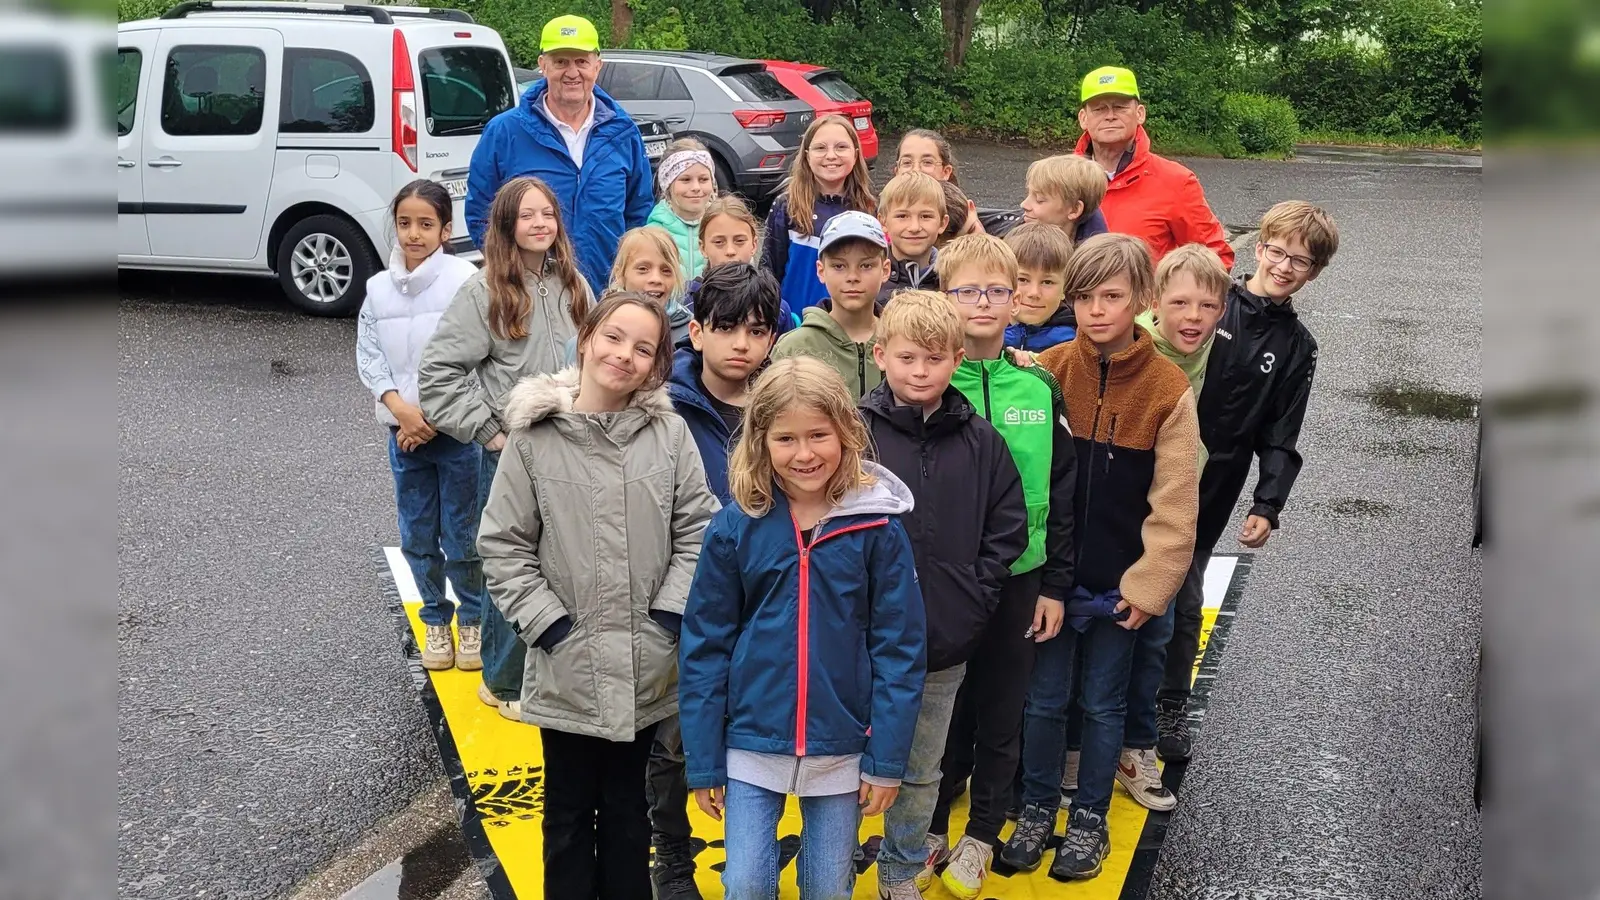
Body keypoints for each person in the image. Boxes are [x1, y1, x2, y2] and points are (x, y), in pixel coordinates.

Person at [477, 292, 718, 900]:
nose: (624, 355)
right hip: (566, 666)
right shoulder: (534, 439)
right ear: (586, 339)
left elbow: (698, 528)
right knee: (565, 815)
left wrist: (667, 616)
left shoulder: (668, 435)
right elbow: (503, 544)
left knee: (626, 812)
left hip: (645, 662)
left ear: (658, 364)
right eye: (614, 337)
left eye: (644, 348)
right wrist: (551, 627)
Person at [679, 357, 927, 900]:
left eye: (819, 434)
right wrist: (703, 759)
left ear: (846, 431)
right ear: (761, 442)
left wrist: (885, 761)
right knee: (743, 884)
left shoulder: (877, 529)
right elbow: (705, 646)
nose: (805, 453)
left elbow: (899, 650)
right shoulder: (736, 525)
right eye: (786, 438)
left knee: (826, 885)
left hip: (843, 742)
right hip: (749, 739)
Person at [1003, 234, 1199, 880]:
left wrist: (1149, 588)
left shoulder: (1168, 389)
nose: (1095, 310)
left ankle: (1089, 818)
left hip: (1119, 588)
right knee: (1044, 700)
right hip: (1052, 584)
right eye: (1082, 297)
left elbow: (1175, 503)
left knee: (1103, 705)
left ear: (1142, 301)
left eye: (1111, 297)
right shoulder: (1049, 369)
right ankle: (1035, 807)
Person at [860, 290, 1030, 900]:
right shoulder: (857, 434)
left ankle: (902, 868)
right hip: (862, 638)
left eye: (934, 358)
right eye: (907, 357)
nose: (920, 371)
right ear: (881, 356)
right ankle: (836, 848)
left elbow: (1007, 525)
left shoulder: (981, 441)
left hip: (945, 635)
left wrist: (974, 595)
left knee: (922, 766)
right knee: (846, 756)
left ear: (957, 359)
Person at [1156, 202, 1339, 760]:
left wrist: (1269, 501)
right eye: (1277, 251)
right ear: (1259, 246)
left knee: (1184, 595)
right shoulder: (1212, 305)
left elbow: (1282, 432)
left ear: (1314, 272)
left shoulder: (1298, 347)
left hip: (1215, 481)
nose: (1284, 266)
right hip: (1152, 461)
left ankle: (1169, 704)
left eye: (1300, 261)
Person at [929, 234, 1076, 900]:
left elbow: (1064, 490)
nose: (983, 302)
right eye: (967, 290)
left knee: (1001, 710)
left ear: (1016, 296)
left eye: (996, 290)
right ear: (944, 297)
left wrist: (1054, 583)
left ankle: (982, 833)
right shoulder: (928, 382)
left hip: (1022, 577)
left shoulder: (1038, 384)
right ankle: (931, 823)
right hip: (946, 580)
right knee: (942, 710)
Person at [418, 176, 591, 718]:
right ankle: (504, 680)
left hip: (573, 448)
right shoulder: (485, 289)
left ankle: (550, 673)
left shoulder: (572, 283)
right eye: (527, 216)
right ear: (506, 225)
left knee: (563, 566)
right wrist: (490, 431)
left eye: (548, 214)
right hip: (514, 454)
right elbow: (439, 373)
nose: (540, 224)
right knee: (514, 566)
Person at [1109, 243, 1228, 805]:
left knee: (1155, 630)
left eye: (1207, 306)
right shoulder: (1129, 343)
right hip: (1118, 505)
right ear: (1154, 303)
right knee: (1104, 630)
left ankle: (1136, 747)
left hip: (1170, 505)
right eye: (1179, 303)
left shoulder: (1209, 353)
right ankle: (1088, 745)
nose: (1193, 317)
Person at [356, 179, 485, 672]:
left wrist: (431, 416)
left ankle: (472, 621)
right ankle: (436, 618)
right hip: (403, 434)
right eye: (405, 223)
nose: (414, 234)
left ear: (445, 230)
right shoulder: (377, 288)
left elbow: (477, 356)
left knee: (464, 533)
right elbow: (370, 355)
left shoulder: (464, 281)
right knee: (417, 533)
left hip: (456, 435)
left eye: (426, 224)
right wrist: (400, 410)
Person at [464, 15, 653, 294]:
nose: (572, 72)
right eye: (561, 61)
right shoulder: (504, 132)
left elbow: (639, 212)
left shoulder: (623, 133)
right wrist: (513, 272)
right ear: (543, 65)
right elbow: (481, 213)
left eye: (581, 62)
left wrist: (626, 274)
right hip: (531, 295)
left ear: (597, 66)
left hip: (608, 294)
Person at [1073, 66, 1234, 269]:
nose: (1110, 116)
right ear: (1083, 118)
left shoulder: (1176, 181)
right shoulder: (1060, 181)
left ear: (1140, 113)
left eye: (1120, 107)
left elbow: (1215, 259)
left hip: (1148, 301)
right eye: (1099, 109)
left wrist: (1173, 298)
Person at [668, 262, 783, 505]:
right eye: (726, 327)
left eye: (756, 332)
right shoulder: (666, 408)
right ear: (697, 334)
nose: (741, 344)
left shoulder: (785, 407)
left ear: (771, 341)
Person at [770, 211, 890, 400]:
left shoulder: (900, 341)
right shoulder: (794, 348)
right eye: (839, 266)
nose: (853, 277)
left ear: (885, 270)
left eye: (866, 266)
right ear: (821, 270)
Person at [762, 114, 877, 311]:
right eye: (820, 148)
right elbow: (769, 272)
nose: (831, 155)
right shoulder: (786, 206)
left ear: (856, 154)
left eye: (841, 147)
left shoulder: (869, 208)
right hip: (797, 325)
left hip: (849, 325)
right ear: (807, 155)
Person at [686, 195, 798, 334]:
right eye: (719, 242)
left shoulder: (776, 307)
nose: (730, 251)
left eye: (739, 241)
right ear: (703, 248)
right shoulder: (687, 305)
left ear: (754, 244)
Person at [981, 154, 1111, 243]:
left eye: (1039, 200)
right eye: (1029, 194)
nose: (1024, 205)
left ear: (1074, 209)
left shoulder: (1096, 268)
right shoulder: (1006, 230)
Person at [607, 226, 692, 347]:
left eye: (666, 270)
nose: (656, 279)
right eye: (643, 269)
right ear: (620, 275)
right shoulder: (600, 326)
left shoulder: (690, 333)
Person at [876, 171, 948, 308]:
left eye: (926, 216)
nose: (914, 227)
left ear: (942, 223)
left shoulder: (952, 279)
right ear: (883, 222)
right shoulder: (872, 280)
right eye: (902, 216)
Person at [648, 138, 717, 280]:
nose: (696, 188)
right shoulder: (653, 234)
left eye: (703, 179)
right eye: (685, 180)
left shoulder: (722, 226)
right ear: (667, 184)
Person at [1003, 222, 1077, 353]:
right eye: (1022, 279)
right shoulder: (982, 332)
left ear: (1065, 288)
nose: (1034, 293)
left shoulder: (1072, 344)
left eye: (1047, 282)